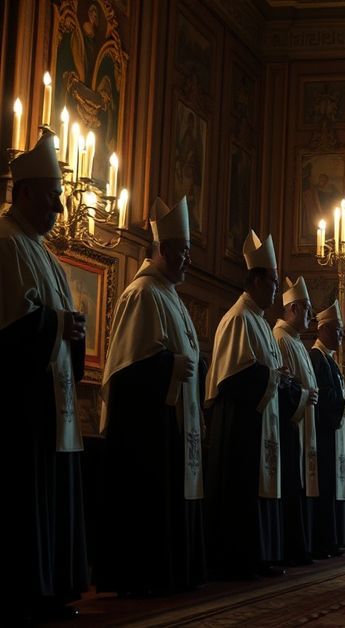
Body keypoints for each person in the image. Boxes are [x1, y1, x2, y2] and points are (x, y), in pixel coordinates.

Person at [96, 196, 205, 595]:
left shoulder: (170, 295)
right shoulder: (143, 293)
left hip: (172, 422)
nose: (188, 260)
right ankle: (145, 574)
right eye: (183, 251)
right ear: (163, 249)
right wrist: (171, 366)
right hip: (149, 429)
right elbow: (127, 371)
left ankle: (174, 570)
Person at [1, 133, 88, 621]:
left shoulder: (44, 254)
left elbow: (50, 320)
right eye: (54, 195)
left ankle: (52, 587)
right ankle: (26, 591)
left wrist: (70, 328)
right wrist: (58, 324)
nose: (60, 205)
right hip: (22, 403)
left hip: (52, 402)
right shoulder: (6, 243)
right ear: (27, 191)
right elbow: (11, 328)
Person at [204, 230, 300, 579]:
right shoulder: (239, 318)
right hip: (241, 427)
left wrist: (278, 378)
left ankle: (262, 554)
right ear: (257, 280)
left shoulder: (258, 320)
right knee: (243, 490)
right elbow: (232, 378)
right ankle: (241, 558)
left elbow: (260, 371)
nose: (275, 289)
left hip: (260, 424)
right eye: (273, 281)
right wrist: (273, 377)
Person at [273, 277, 321, 566]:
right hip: (291, 425)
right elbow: (284, 384)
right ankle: (294, 547)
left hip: (304, 423)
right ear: (292, 309)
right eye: (306, 309)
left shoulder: (297, 341)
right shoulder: (280, 338)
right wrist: (305, 396)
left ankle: (304, 544)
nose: (310, 316)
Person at [308, 301, 345, 558]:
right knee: (325, 485)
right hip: (323, 434)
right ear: (323, 329)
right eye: (338, 330)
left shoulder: (330, 360)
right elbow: (325, 397)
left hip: (334, 433)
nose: (341, 335)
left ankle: (334, 538)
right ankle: (324, 540)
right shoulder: (317, 358)